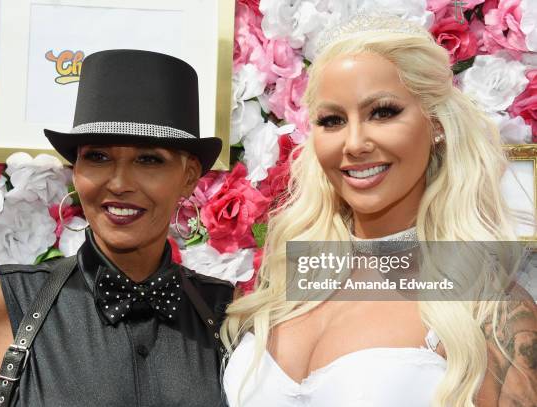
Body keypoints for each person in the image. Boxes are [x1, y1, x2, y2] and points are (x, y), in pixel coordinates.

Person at [221, 13, 536, 407]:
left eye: (383, 112)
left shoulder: (490, 308)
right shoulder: (286, 281)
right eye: (332, 120)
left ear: (436, 123)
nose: (354, 143)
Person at [0, 49, 233, 406]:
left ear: (189, 177)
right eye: (97, 157)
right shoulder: (6, 301)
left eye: (149, 159)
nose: (119, 183)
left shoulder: (225, 312)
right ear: (75, 169)